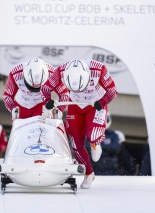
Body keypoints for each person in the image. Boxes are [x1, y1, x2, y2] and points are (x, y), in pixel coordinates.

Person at [41, 59, 118, 189]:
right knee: (75, 144)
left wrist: (102, 101)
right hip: (75, 106)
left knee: (92, 134)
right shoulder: (61, 70)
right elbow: (45, 88)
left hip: (95, 105)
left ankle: (95, 143)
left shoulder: (99, 69)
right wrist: (48, 101)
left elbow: (112, 90)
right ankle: (88, 173)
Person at [3, 57, 69, 120]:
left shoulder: (53, 74)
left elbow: (64, 94)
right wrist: (12, 108)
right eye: (32, 87)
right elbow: (7, 95)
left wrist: (59, 110)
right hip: (21, 105)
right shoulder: (15, 73)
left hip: (41, 104)